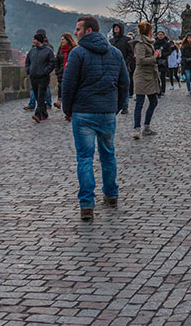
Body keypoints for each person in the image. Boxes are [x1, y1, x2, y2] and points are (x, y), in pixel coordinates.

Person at [61, 16, 130, 222]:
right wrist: (116, 106)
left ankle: (87, 204)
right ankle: (111, 195)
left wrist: (68, 109)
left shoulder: (78, 53)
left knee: (85, 158)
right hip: (107, 112)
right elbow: (124, 83)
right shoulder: (115, 53)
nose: (75, 32)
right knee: (108, 155)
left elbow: (68, 84)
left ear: (89, 31)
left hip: (83, 112)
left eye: (78, 28)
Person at [130, 22, 161, 139]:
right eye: (151, 30)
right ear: (148, 31)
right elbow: (140, 60)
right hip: (142, 76)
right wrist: (155, 57)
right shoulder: (140, 44)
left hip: (150, 76)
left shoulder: (148, 42)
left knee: (154, 101)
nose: (153, 32)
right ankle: (137, 129)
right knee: (140, 103)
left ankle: (146, 127)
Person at [26, 33, 56, 122]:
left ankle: (38, 115)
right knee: (37, 96)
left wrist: (45, 71)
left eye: (34, 39)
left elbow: (52, 63)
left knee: (41, 96)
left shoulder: (48, 51)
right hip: (33, 77)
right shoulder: (32, 51)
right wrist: (28, 70)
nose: (33, 41)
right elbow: (27, 61)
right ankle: (44, 114)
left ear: (38, 40)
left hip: (43, 77)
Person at [109, 23, 135, 99]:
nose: (116, 29)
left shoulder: (127, 40)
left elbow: (131, 53)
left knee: (124, 85)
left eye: (118, 27)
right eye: (115, 27)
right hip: (113, 65)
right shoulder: (111, 41)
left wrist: (125, 61)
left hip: (124, 65)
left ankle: (125, 105)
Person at [55, 32, 77, 109]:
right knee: (60, 86)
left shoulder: (74, 49)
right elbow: (57, 60)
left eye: (63, 39)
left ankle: (68, 109)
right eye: (61, 39)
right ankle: (59, 101)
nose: (61, 41)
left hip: (70, 72)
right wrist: (57, 71)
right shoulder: (60, 49)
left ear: (68, 40)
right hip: (61, 72)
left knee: (70, 90)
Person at [154, 30, 174, 94]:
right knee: (156, 76)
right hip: (155, 60)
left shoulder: (166, 43)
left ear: (164, 35)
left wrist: (162, 54)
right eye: (159, 34)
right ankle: (158, 88)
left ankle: (163, 90)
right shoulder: (155, 42)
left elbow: (169, 51)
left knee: (162, 76)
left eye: (161, 34)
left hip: (163, 61)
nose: (160, 36)